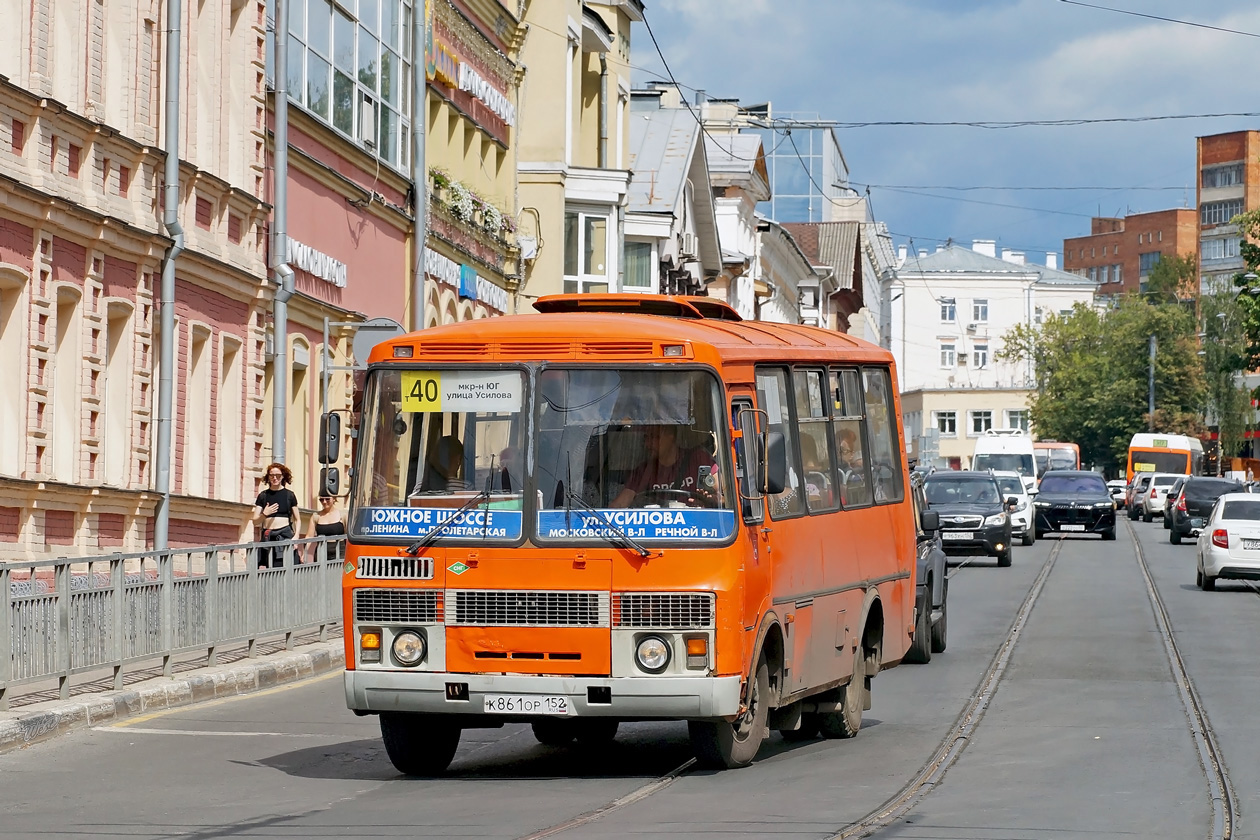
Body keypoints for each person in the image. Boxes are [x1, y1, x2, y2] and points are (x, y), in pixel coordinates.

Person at [611, 424, 718, 508]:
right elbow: (619, 504)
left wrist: (710, 499)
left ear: (671, 437)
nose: (648, 444)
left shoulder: (698, 458)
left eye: (654, 437)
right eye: (646, 438)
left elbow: (726, 495)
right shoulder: (644, 471)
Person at [252, 463, 301, 568]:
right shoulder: (263, 496)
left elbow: (298, 519)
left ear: (282, 476)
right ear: (268, 477)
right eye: (272, 475)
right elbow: (255, 521)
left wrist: (296, 537)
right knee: (269, 568)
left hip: (284, 536)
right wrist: (265, 514)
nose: (275, 478)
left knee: (285, 567)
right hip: (268, 537)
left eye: (278, 475)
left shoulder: (289, 495)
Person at [305, 494, 346, 562]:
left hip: (339, 551)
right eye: (321, 499)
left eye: (327, 499)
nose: (324, 502)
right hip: (321, 552)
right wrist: (305, 552)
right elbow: (309, 536)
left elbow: (349, 536)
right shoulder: (316, 516)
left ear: (334, 498)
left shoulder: (342, 515)